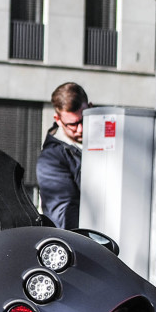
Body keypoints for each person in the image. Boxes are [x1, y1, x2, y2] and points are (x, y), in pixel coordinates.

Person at [35, 82, 90, 229]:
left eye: (84, 119)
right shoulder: (51, 158)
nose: (80, 129)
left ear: (90, 107)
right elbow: (63, 212)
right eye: (73, 124)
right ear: (58, 120)